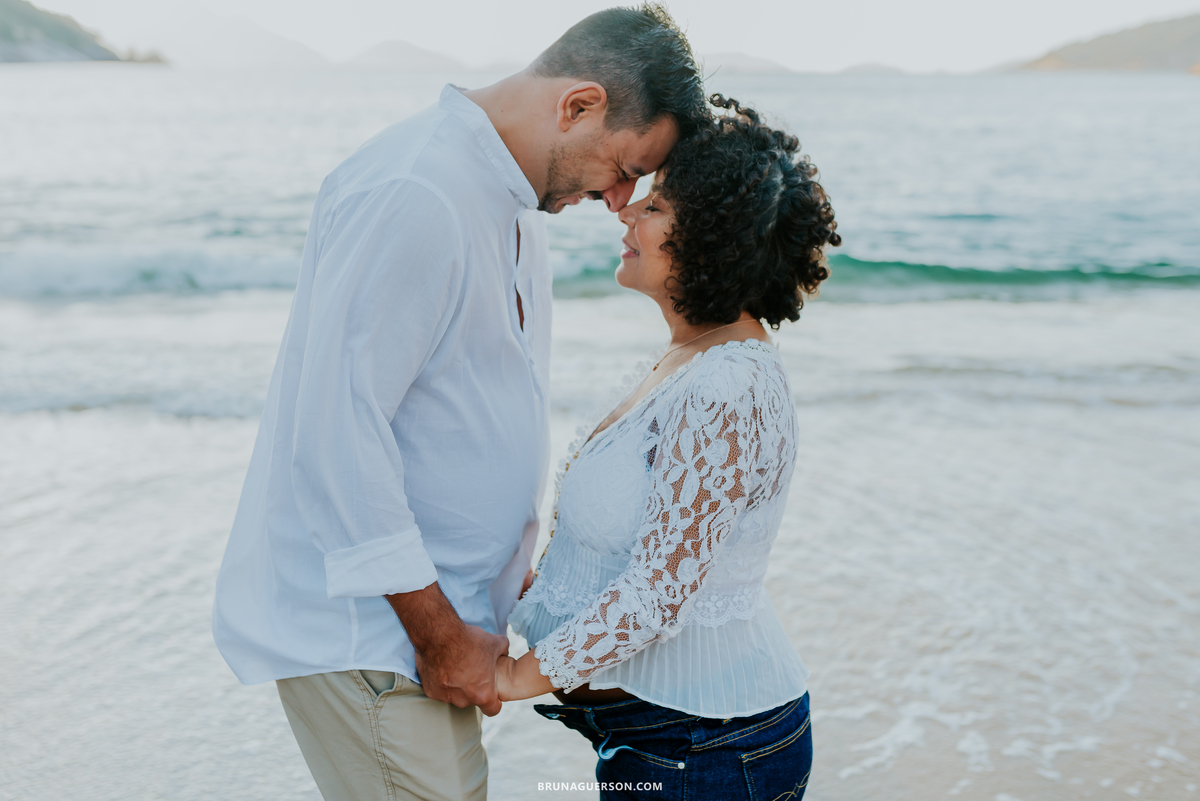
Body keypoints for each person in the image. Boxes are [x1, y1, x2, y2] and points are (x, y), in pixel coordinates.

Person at [211, 6, 707, 800]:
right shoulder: (418, 192)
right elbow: (336, 433)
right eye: (624, 167)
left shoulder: (509, 203)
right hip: (378, 637)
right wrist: (439, 635)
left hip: (430, 636)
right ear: (578, 105)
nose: (621, 199)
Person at [498, 96, 841, 800]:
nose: (625, 213)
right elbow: (631, 551)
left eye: (654, 207)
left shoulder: (728, 383)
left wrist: (508, 678)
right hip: (675, 742)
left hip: (706, 751)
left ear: (713, 236)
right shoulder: (689, 361)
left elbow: (658, 594)